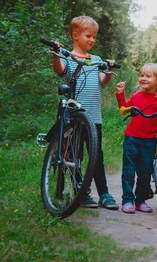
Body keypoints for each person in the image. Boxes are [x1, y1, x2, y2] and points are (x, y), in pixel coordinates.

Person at [51, 15, 119, 210]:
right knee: (75, 155)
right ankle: (82, 190)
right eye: (88, 36)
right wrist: (56, 53)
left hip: (94, 117)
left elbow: (103, 81)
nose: (92, 40)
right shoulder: (68, 57)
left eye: (94, 37)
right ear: (75, 35)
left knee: (97, 155)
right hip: (74, 117)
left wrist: (108, 69)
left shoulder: (96, 60)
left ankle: (104, 193)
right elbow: (59, 70)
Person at [116, 63, 157, 214]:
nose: (143, 78)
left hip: (149, 141)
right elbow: (124, 110)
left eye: (148, 76)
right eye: (141, 75)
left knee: (145, 172)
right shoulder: (136, 96)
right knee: (128, 171)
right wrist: (120, 94)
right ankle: (127, 200)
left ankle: (140, 200)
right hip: (131, 138)